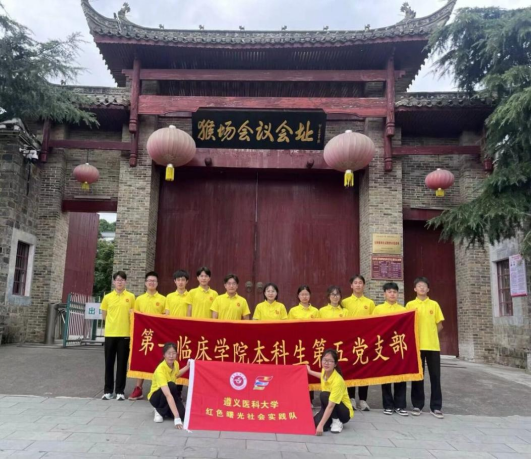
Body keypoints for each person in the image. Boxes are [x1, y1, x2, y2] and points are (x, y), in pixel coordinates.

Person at [406, 277, 445, 419]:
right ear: (415, 289)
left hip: (433, 346)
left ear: (428, 289)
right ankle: (417, 405)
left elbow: (440, 325)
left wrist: (431, 334)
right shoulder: (410, 305)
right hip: (416, 346)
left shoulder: (434, 304)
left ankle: (436, 407)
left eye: (424, 286)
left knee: (435, 377)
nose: (422, 288)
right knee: (418, 377)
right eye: (419, 286)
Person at [373, 282, 409, 417]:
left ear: (397, 294)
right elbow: (374, 327)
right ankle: (388, 405)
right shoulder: (378, 309)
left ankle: (400, 405)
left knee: (401, 375)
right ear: (384, 294)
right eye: (389, 292)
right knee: (386, 376)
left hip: (399, 346)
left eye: (394, 292)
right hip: (384, 347)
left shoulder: (404, 310)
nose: (392, 294)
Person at [129, 271, 166, 401]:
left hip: (158, 336)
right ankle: (138, 388)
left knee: (159, 360)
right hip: (144, 335)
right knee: (142, 360)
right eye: (149, 281)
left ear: (157, 283)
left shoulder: (163, 299)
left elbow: (165, 317)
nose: (151, 283)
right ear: (145, 283)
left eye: (154, 281)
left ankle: (158, 388)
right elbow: (136, 317)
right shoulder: (139, 299)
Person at [341, 275, 376, 412]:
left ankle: (363, 400)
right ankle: (351, 398)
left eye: (360, 283)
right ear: (351, 286)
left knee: (364, 369)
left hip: (365, 341)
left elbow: (374, 322)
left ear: (364, 285)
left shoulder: (370, 303)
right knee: (350, 369)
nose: (358, 285)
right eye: (355, 283)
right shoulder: (344, 302)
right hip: (349, 341)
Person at [100, 271, 136, 401]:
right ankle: (108, 391)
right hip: (110, 334)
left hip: (125, 335)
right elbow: (104, 315)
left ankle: (120, 391)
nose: (119, 282)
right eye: (117, 280)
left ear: (125, 282)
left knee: (122, 364)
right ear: (114, 282)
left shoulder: (131, 297)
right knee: (109, 363)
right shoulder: (107, 297)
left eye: (122, 280)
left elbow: (134, 314)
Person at [307, 349, 354, 435]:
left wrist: (321, 425)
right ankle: (330, 419)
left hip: (343, 413)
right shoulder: (325, 371)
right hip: (330, 405)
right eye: (324, 360)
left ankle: (336, 421)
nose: (326, 363)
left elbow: (331, 406)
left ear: (335, 364)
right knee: (315, 424)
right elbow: (322, 376)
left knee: (324, 395)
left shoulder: (338, 381)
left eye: (330, 361)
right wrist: (310, 372)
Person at [289, 285, 320, 405]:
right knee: (297, 370)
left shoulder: (315, 311)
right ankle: (297, 397)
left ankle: (309, 399)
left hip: (311, 345)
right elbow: (289, 328)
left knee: (309, 369)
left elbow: (319, 328)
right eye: (302, 294)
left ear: (310, 296)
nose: (304, 297)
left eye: (306, 294)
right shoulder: (293, 311)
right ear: (298, 296)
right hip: (297, 345)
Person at [148, 342, 190, 428]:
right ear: (164, 355)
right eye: (169, 353)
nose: (171, 356)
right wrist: (177, 418)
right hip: (157, 397)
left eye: (174, 353)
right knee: (171, 385)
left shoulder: (176, 364)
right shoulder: (160, 370)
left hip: (169, 393)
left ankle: (165, 411)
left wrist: (187, 367)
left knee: (183, 415)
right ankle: (158, 410)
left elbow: (176, 375)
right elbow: (168, 395)